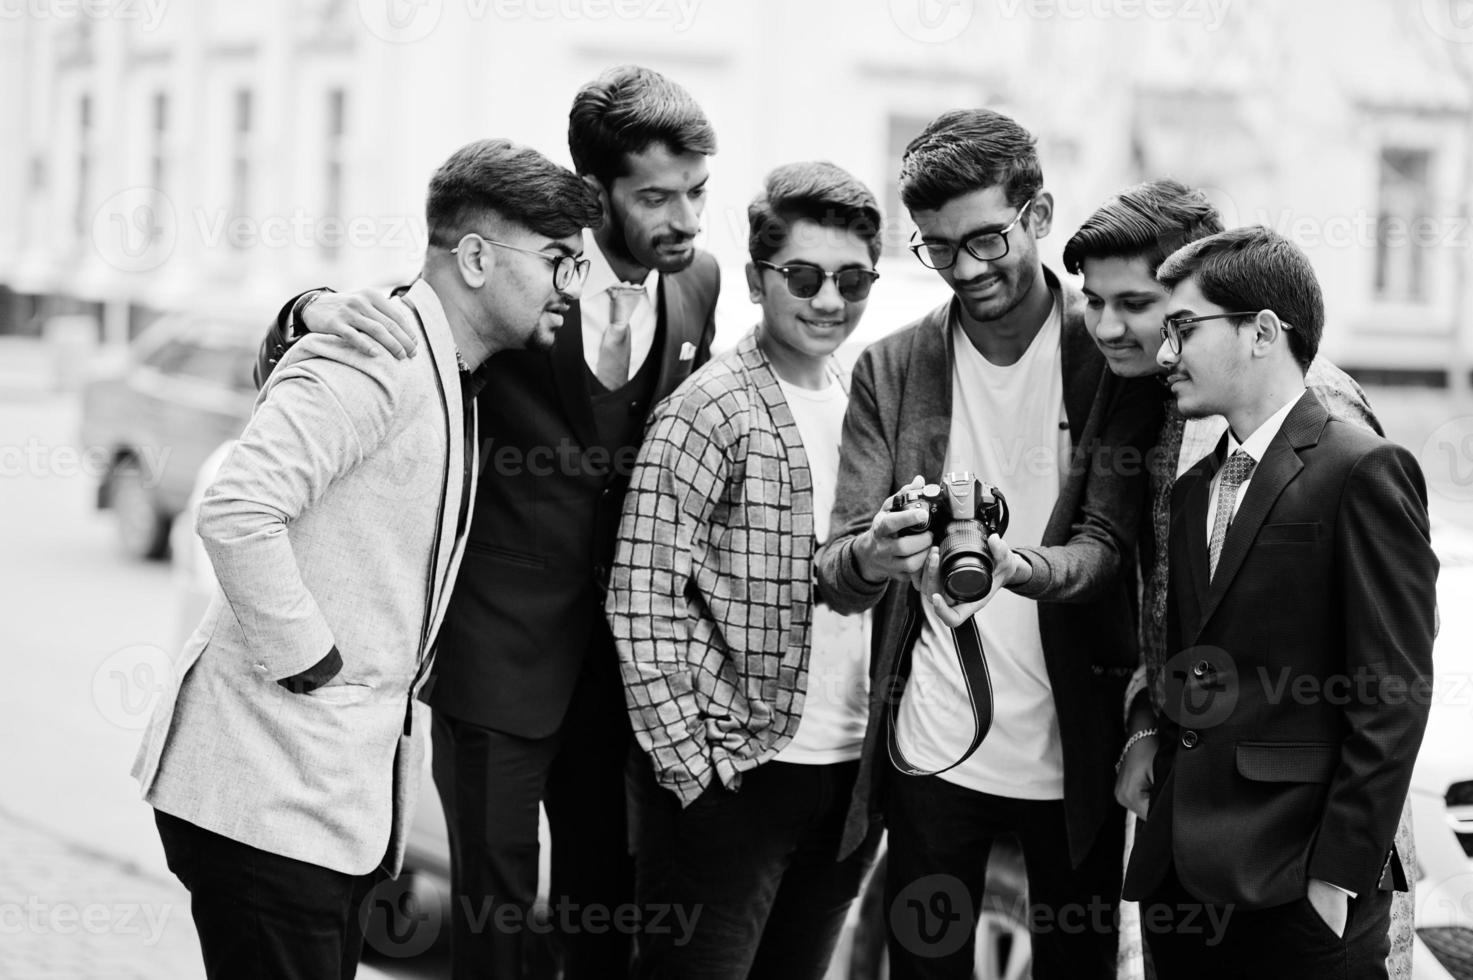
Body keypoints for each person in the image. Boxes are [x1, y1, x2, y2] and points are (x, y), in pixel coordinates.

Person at [253, 65, 719, 979]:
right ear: (596, 193)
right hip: (495, 656)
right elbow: (405, 322)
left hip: (622, 663)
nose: (688, 219)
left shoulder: (698, 281)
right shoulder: (518, 269)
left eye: (699, 191)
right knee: (494, 916)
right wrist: (305, 310)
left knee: (604, 905)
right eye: (657, 197)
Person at [133, 138, 602, 980]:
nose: (574, 285)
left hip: (325, 809)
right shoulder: (374, 355)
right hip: (263, 794)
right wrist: (311, 660)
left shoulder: (447, 362)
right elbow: (238, 510)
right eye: (559, 262)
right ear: (475, 256)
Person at [813, 108, 1161, 980]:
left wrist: (1011, 567)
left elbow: (1105, 552)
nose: (964, 270)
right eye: (937, 248)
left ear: (1037, 217)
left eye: (985, 240)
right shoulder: (890, 368)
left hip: (1073, 750)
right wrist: (875, 554)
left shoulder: (1109, 352)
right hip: (933, 746)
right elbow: (837, 571)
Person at [1062, 178, 1418, 979]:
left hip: (1299, 885)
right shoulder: (1196, 484)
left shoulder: (1357, 459)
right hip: (1185, 877)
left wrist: (1336, 876)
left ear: (1262, 332)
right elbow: (1195, 648)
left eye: (1180, 326)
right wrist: (1151, 727)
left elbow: (1392, 689)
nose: (1160, 350)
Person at [607, 162, 885, 980]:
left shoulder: (869, 402)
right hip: (733, 777)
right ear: (760, 281)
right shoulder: (710, 407)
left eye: (852, 278)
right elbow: (639, 594)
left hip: (846, 781)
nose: (828, 299)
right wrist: (694, 769)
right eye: (802, 275)